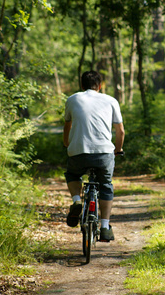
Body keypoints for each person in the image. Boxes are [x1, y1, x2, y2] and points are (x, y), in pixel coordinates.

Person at [63, 71, 125, 242]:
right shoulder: (111, 100)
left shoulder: (72, 99)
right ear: (100, 85)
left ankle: (76, 201)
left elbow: (67, 125)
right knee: (105, 185)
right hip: (104, 153)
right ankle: (105, 227)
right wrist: (117, 150)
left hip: (78, 151)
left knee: (73, 174)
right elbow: (120, 131)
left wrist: (67, 144)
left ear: (82, 86)